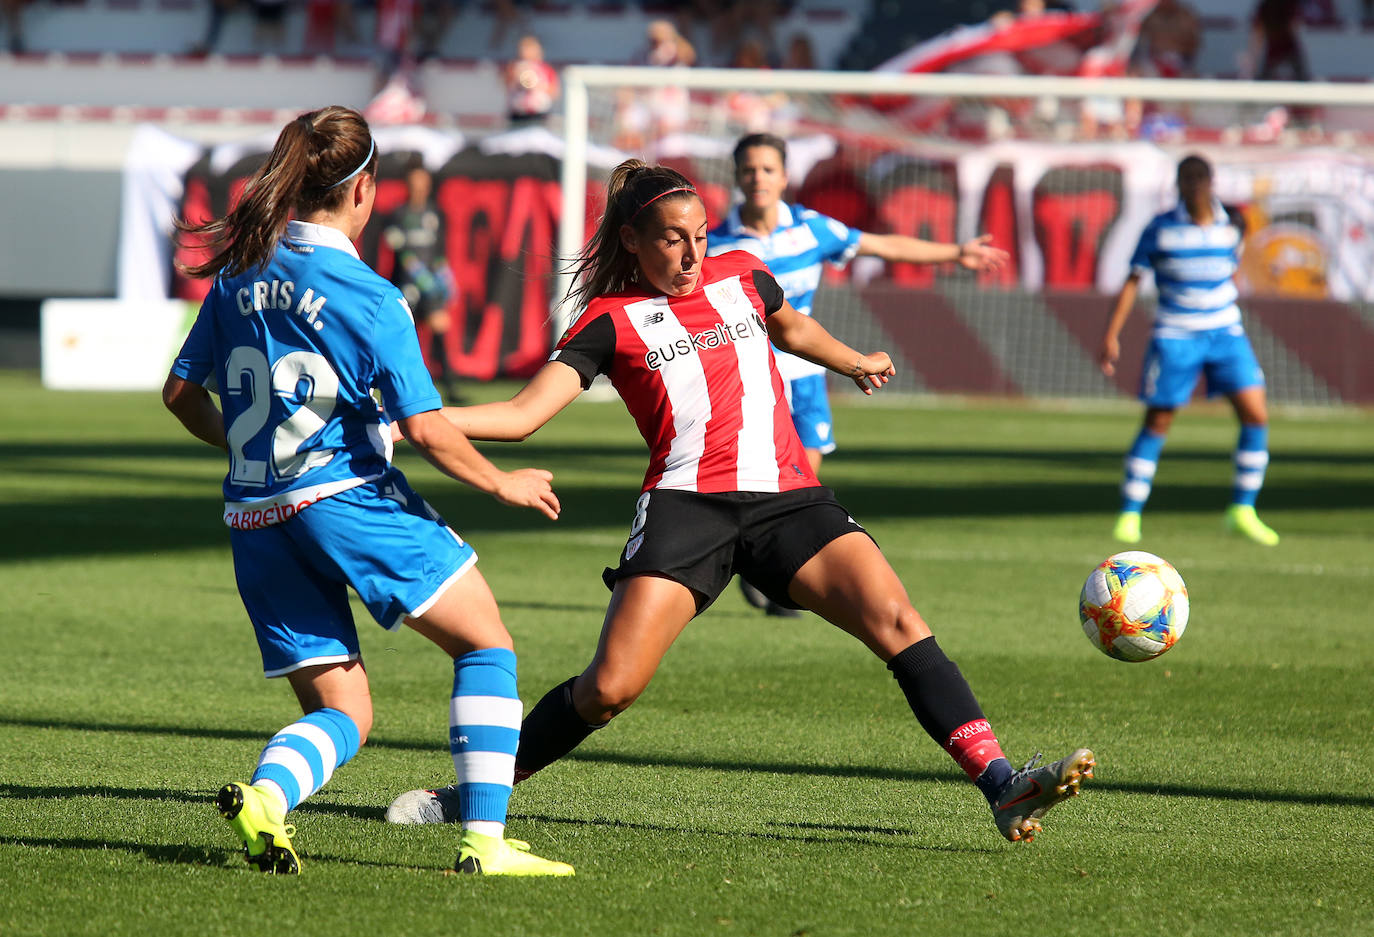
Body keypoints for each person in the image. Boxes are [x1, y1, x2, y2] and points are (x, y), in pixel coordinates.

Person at [385, 160, 1094, 846]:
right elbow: (522, 413)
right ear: (632, 241)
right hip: (686, 510)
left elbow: (791, 327)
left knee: (899, 620)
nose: (692, 253)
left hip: (789, 498)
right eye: (671, 238)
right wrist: (418, 419)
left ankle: (1001, 783)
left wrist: (852, 359)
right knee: (608, 689)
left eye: (699, 235)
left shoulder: (743, 275)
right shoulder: (609, 320)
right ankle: (467, 798)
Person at [162, 105, 573, 877]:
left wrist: (250, 447)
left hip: (254, 514)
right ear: (364, 190)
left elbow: (179, 395)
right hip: (346, 500)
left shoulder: (238, 274)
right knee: (486, 645)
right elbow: (426, 428)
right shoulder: (373, 297)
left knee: (344, 711)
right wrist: (500, 481)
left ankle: (267, 800)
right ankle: (484, 842)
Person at [707, 134, 1009, 614]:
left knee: (801, 484)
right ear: (738, 177)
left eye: (768, 169)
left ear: (785, 177)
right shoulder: (716, 246)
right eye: (749, 169)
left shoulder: (811, 230)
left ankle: (772, 572)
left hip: (807, 373)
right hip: (752, 379)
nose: (758, 178)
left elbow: (881, 244)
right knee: (761, 484)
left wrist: (954, 254)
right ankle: (761, 568)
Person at [1098, 155, 1279, 547]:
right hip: (1176, 336)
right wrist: (1111, 334)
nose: (1195, 187)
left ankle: (1242, 510)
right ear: (1179, 185)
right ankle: (1130, 513)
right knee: (1159, 420)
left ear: (1212, 183)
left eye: (1200, 180)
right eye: (1188, 180)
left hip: (1226, 333)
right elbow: (1133, 280)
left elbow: (1232, 267)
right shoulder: (1161, 228)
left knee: (1255, 414)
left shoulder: (1233, 222)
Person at [382, 157, 461, 401]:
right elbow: (399, 250)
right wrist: (418, 274)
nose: (420, 187)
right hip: (406, 285)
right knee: (404, 336)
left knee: (439, 328)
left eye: (423, 182)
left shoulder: (435, 213)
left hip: (431, 285)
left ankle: (449, 388)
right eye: (415, 182)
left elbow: (439, 251)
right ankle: (395, 388)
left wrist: (444, 275)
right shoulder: (397, 214)